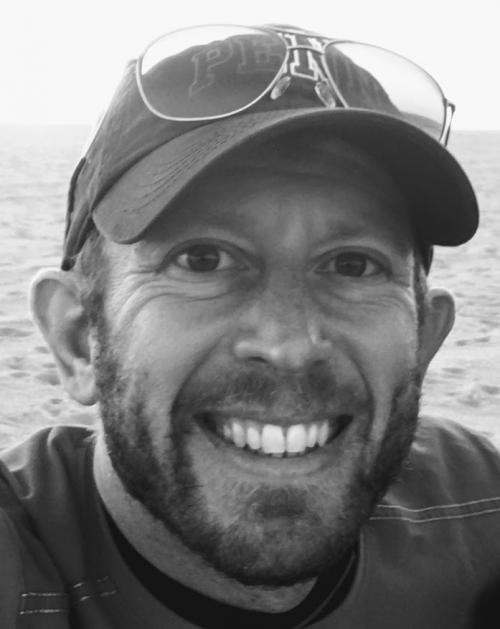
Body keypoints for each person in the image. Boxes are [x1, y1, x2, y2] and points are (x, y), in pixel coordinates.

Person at [1, 23, 499, 628]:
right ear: (78, 338)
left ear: (423, 340)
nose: (289, 345)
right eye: (202, 259)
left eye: (352, 265)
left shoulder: (479, 502)